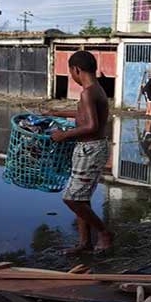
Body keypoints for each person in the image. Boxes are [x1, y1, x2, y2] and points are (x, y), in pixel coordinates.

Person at [49, 51, 112, 253]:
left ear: (76, 70)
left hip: (90, 150)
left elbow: (92, 125)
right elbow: (83, 115)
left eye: (71, 73)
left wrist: (63, 136)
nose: (72, 76)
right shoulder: (96, 89)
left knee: (72, 198)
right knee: (81, 198)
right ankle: (84, 243)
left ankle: (103, 232)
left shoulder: (87, 92)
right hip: (90, 148)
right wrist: (56, 113)